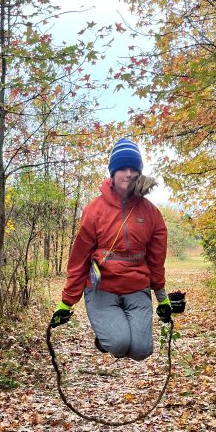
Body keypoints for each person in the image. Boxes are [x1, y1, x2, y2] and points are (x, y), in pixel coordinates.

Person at [49, 138, 172, 360]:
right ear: (112, 173)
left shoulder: (151, 212)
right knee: (118, 343)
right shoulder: (94, 210)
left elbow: (156, 260)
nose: (128, 174)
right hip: (102, 288)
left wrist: (162, 298)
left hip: (137, 286)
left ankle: (117, 328)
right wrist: (65, 303)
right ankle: (109, 335)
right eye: (122, 168)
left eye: (133, 169)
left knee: (142, 351)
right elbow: (79, 259)